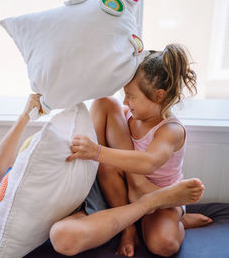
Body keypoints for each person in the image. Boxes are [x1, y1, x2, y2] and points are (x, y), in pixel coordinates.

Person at [0, 93, 205, 256]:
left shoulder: (13, 170)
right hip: (76, 212)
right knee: (61, 237)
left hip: (82, 181)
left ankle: (140, 195)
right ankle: (148, 206)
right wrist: (25, 116)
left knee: (105, 103)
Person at [66, 44, 212, 257]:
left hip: (159, 196)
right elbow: (104, 104)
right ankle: (130, 228)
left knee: (164, 245)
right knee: (105, 107)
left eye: (131, 97)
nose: (126, 102)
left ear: (158, 97)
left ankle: (179, 219)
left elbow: (149, 161)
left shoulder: (170, 130)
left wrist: (97, 151)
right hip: (128, 188)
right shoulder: (127, 115)